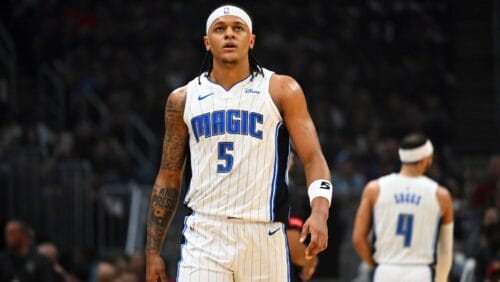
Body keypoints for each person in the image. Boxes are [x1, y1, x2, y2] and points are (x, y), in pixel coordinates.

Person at [145, 4, 332, 282]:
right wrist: (152, 251)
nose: (229, 34)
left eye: (238, 28)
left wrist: (320, 211)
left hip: (264, 233)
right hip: (205, 233)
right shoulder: (182, 99)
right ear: (207, 43)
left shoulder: (282, 89)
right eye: (220, 29)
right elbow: (169, 176)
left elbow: (313, 158)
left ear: (251, 40)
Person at [352, 133, 454, 282]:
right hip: (420, 272)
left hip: (386, 270)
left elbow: (358, 239)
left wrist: (375, 265)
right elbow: (445, 249)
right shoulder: (441, 195)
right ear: (426, 159)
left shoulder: (374, 189)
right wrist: (442, 279)